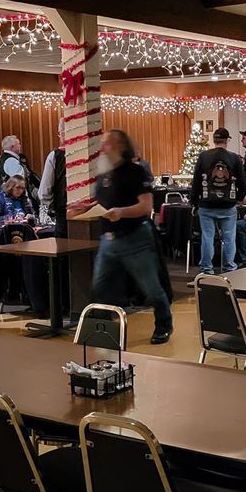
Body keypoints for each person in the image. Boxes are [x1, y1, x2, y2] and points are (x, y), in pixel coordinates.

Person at [74, 129, 172, 344]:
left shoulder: (136, 172)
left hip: (135, 238)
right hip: (109, 240)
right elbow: (106, 202)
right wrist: (87, 207)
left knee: (151, 288)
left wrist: (121, 212)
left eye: (106, 144)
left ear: (119, 146)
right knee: (100, 287)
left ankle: (164, 325)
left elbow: (145, 207)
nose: (102, 148)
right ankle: (103, 330)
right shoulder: (104, 174)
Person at [190, 127, 246, 275]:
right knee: (229, 238)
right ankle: (229, 267)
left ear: (214, 140)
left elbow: (196, 181)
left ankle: (207, 268)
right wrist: (240, 198)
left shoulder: (203, 156)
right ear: (227, 140)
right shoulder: (234, 158)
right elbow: (241, 181)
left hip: (206, 204)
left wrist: (194, 201)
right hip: (228, 205)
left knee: (207, 237)